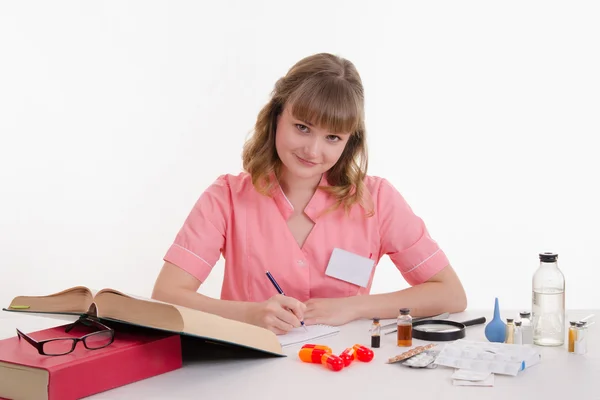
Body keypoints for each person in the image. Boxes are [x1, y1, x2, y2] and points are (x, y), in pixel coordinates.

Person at [151, 52, 467, 335]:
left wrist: (355, 307)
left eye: (332, 137)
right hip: (246, 372)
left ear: (349, 142)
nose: (313, 150)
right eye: (302, 127)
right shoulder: (226, 197)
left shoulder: (378, 200)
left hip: (345, 370)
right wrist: (248, 314)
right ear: (276, 117)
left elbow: (450, 294)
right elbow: (167, 295)